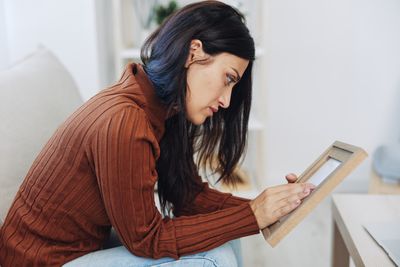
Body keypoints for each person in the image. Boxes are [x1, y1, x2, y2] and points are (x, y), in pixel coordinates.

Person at [0, 1, 315, 266]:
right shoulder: (126, 121)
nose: (226, 100)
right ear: (193, 53)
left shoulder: (159, 107)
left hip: (81, 249)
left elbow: (189, 197)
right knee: (215, 256)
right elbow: (146, 239)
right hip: (41, 262)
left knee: (229, 234)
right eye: (228, 78)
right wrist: (253, 215)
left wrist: (267, 206)